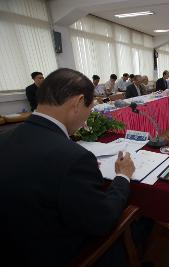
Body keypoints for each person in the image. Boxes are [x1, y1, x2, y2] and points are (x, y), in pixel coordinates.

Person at [0, 68, 135, 266]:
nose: (88, 115)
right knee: (142, 224)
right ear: (78, 102)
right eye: (90, 108)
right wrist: (123, 176)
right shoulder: (73, 158)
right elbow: (102, 220)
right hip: (51, 253)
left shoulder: (5, 138)